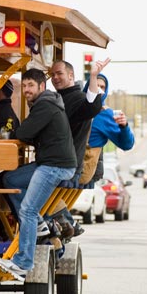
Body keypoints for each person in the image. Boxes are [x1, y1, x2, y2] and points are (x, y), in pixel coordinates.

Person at [0, 68, 76, 282]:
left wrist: (10, 135)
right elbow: (30, 133)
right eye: (25, 86)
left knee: (28, 210)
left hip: (54, 166)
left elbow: (23, 133)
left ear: (42, 86)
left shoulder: (45, 105)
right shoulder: (46, 103)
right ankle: (39, 225)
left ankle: (23, 264)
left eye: (31, 85)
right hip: (49, 162)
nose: (27, 90)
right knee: (9, 179)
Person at [48, 59, 110, 236]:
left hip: (66, 165)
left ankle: (65, 220)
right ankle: (61, 228)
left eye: (59, 73)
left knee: (20, 185)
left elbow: (90, 106)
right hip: (63, 163)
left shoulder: (76, 98)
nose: (55, 78)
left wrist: (92, 76)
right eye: (52, 75)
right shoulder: (60, 98)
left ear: (71, 75)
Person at [87, 73, 135, 182]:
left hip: (84, 170)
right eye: (95, 85)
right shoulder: (77, 105)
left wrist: (124, 126)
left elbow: (127, 144)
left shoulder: (106, 114)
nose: (98, 89)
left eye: (102, 87)